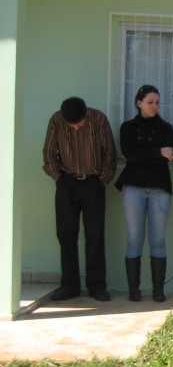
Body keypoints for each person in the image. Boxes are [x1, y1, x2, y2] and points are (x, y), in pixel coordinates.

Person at [43, 97, 117, 301]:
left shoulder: (98, 119)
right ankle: (69, 285)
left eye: (79, 123)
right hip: (66, 182)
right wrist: (58, 178)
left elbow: (110, 152)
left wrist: (103, 180)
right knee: (66, 235)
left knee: (95, 235)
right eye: (72, 124)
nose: (76, 126)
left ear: (86, 114)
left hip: (93, 183)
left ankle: (97, 285)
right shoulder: (56, 121)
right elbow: (49, 153)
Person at [115, 85, 173, 303]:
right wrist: (157, 152)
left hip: (160, 189)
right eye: (150, 102)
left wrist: (145, 155)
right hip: (134, 187)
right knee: (134, 239)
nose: (155, 106)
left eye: (158, 102)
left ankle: (158, 289)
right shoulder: (128, 127)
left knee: (158, 240)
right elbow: (129, 153)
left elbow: (168, 155)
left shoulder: (166, 128)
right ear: (139, 103)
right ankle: (134, 289)